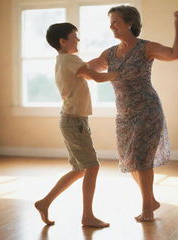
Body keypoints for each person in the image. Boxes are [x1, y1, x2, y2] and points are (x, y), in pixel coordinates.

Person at [85, 5, 178, 222]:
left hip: (147, 110)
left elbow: (176, 54)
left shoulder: (145, 48)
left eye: (115, 22)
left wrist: (177, 25)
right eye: (110, 22)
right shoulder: (110, 53)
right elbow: (86, 70)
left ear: (129, 23)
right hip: (123, 115)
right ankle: (151, 200)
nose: (111, 26)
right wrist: (67, 62)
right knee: (130, 161)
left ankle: (147, 209)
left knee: (141, 159)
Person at [34, 22, 118, 227]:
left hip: (73, 120)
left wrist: (106, 63)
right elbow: (96, 77)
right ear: (63, 41)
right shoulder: (70, 59)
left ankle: (44, 202)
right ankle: (87, 216)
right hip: (74, 122)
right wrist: (120, 73)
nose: (78, 39)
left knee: (80, 169)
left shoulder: (64, 60)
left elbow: (91, 69)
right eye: (74, 36)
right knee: (92, 167)